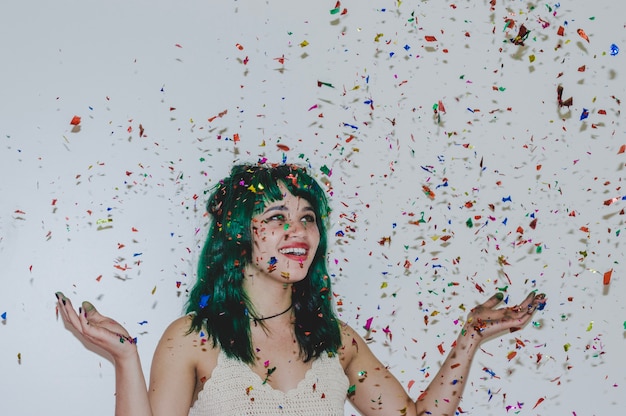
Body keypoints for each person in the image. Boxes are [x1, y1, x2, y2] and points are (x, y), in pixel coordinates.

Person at [56, 162, 546, 416]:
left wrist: (470, 337)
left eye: (307, 219)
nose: (299, 232)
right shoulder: (193, 337)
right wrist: (125, 357)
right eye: (276, 218)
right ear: (238, 236)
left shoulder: (338, 340)